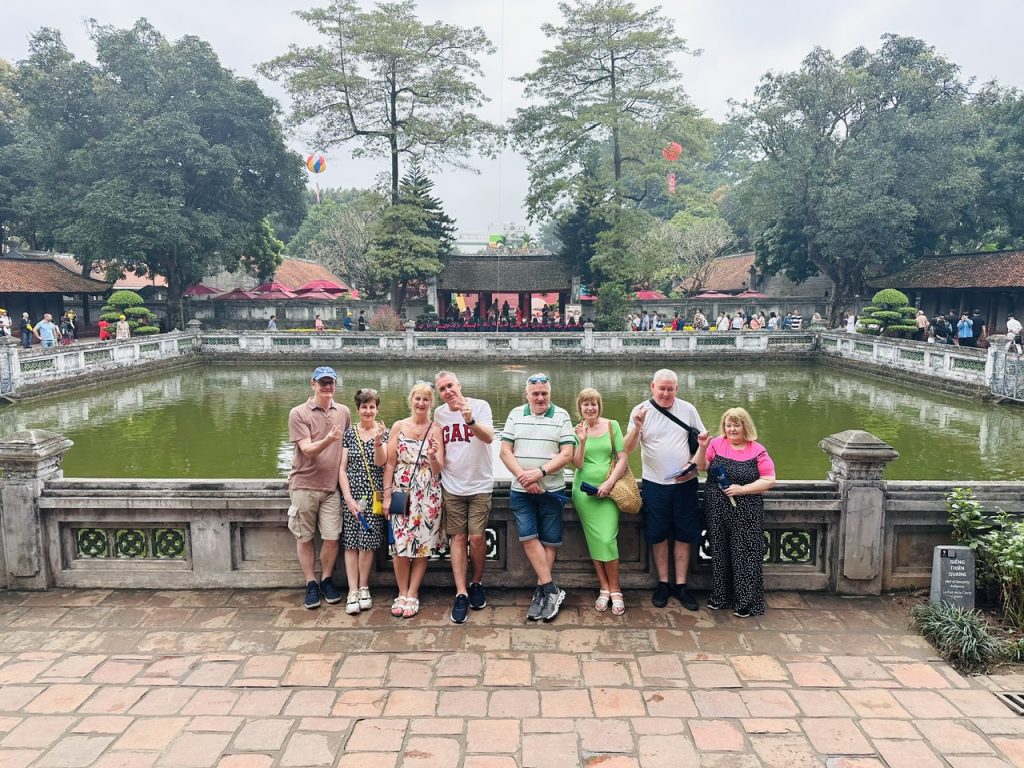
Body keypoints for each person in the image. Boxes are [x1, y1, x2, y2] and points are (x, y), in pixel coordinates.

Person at [623, 369, 706, 611]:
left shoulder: (688, 409)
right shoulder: (640, 411)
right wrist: (637, 427)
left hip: (685, 483)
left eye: (670, 389)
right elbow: (627, 449)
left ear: (677, 389)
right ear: (652, 387)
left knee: (684, 533)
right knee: (658, 534)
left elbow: (702, 443)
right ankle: (663, 582)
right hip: (654, 484)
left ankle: (681, 585)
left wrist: (692, 468)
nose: (666, 393)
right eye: (662, 388)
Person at [499, 372, 576, 622]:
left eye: (544, 393)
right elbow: (504, 452)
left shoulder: (562, 415)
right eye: (536, 394)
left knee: (550, 541)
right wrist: (524, 477)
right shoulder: (515, 414)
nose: (540, 398)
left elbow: (566, 454)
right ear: (527, 395)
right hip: (522, 491)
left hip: (551, 489)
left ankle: (542, 592)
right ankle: (551, 589)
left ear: (549, 394)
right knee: (529, 537)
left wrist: (539, 473)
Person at [695, 407, 776, 617]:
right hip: (716, 507)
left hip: (746, 509)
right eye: (728, 425)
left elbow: (769, 480)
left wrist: (742, 490)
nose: (731, 429)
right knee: (719, 552)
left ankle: (746, 602)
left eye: (736, 425)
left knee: (745, 554)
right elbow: (700, 466)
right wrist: (702, 447)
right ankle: (721, 597)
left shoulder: (757, 449)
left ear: (745, 426)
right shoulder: (716, 444)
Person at [287, 366, 352, 609]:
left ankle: (326, 578)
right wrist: (328, 439)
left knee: (332, 537)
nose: (327, 387)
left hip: (331, 486)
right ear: (312, 384)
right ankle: (310, 582)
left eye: (331, 383)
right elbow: (307, 450)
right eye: (322, 383)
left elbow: (347, 449)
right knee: (304, 537)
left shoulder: (343, 411)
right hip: (304, 484)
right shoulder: (298, 413)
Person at [434, 370, 496, 624]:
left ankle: (476, 582)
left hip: (480, 483)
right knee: (457, 538)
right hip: (452, 484)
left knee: (477, 536)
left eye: (450, 385)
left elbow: (489, 437)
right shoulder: (439, 414)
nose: (448, 391)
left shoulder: (479, 406)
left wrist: (469, 420)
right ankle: (461, 593)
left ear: (459, 385)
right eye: (442, 389)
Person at [382, 382, 445, 620]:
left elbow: (439, 468)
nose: (421, 403)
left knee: (421, 545)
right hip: (402, 490)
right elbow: (389, 463)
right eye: (418, 399)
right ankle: (401, 591)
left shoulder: (436, 429)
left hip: (428, 493)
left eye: (426, 400)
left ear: (431, 403)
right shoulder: (398, 426)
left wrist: (432, 457)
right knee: (400, 545)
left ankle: (412, 592)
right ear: (411, 400)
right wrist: (387, 496)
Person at [571, 388, 629, 615]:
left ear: (599, 405)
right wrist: (582, 441)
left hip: (609, 491)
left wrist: (609, 483)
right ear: (580, 407)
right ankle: (604, 588)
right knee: (595, 540)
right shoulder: (576, 430)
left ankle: (616, 589)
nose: (590, 408)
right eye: (586, 404)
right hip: (584, 493)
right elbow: (576, 464)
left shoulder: (612, 425)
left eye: (594, 403)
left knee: (607, 539)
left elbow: (622, 458)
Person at [338, 388, 389, 615]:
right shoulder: (349, 434)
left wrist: (378, 439)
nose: (368, 411)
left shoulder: (383, 432)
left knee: (367, 542)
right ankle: (352, 591)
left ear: (377, 409)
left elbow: (381, 463)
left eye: (372, 406)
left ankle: (364, 587)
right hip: (353, 493)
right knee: (351, 543)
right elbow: (341, 468)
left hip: (373, 493)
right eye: (364, 407)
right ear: (357, 409)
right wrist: (348, 498)